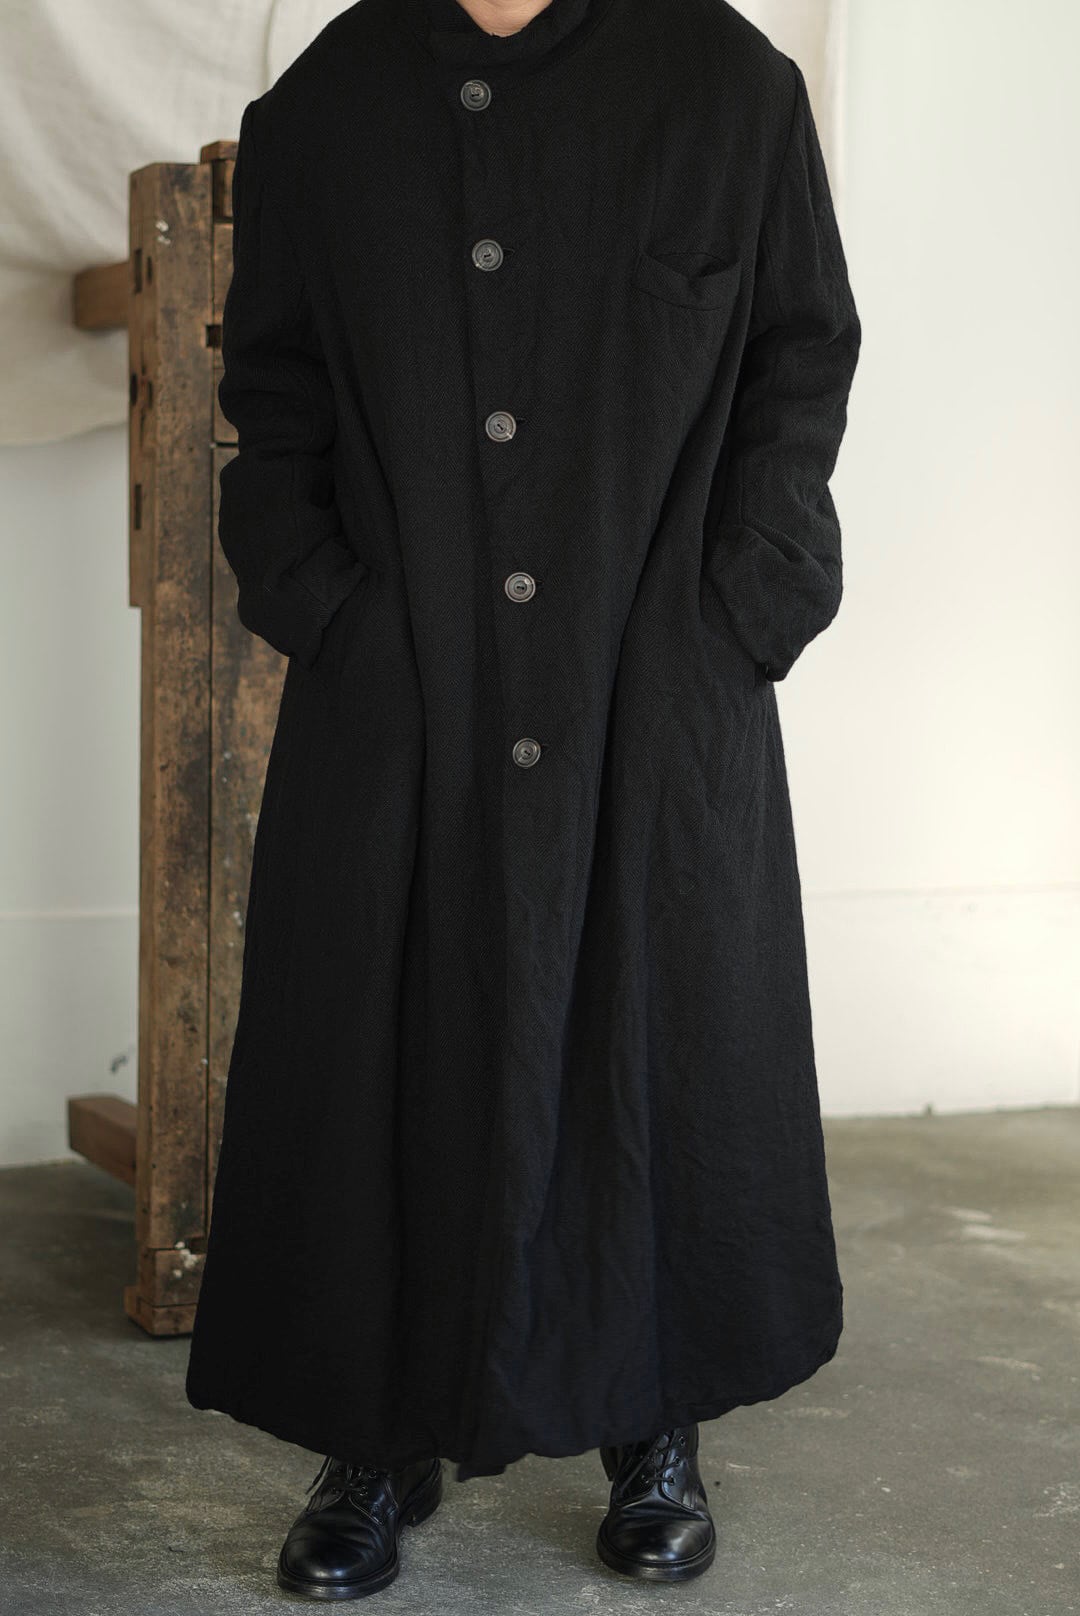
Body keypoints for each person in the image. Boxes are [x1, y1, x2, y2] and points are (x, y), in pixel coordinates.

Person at [184, 0, 862, 1598]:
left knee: (653, 1044)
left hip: (652, 683)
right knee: (379, 1050)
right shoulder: (327, 110)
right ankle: (372, 1431)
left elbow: (799, 358)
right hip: (405, 692)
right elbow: (273, 394)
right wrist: (334, 612)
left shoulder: (726, 87)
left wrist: (740, 611)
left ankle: (655, 1419)